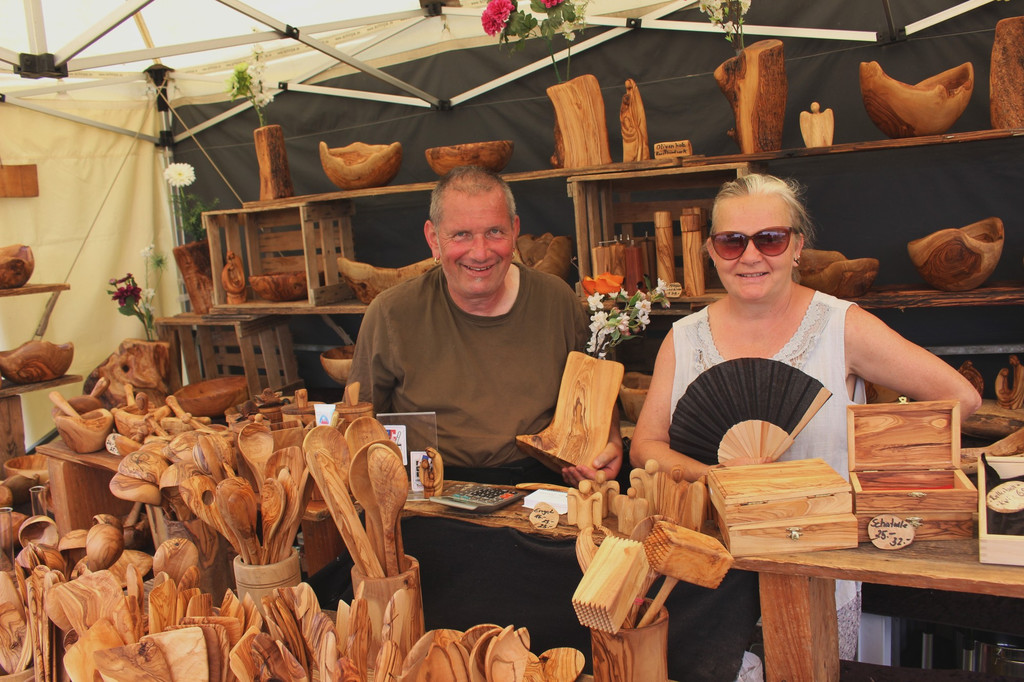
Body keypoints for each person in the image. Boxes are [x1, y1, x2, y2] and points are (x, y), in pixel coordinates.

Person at [630, 172, 981, 669]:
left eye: (769, 239)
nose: (750, 256)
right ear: (710, 251)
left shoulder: (842, 326)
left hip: (817, 571)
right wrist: (718, 478)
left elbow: (959, 398)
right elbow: (646, 445)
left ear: (797, 245)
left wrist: (883, 446)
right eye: (731, 242)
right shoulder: (684, 338)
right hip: (711, 572)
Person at [347, 165, 622, 486]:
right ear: (434, 239)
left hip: (536, 483)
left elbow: (597, 395)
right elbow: (357, 421)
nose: (480, 253)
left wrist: (610, 440)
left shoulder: (556, 300)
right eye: (461, 234)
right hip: (432, 487)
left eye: (495, 232)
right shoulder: (391, 313)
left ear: (515, 231)